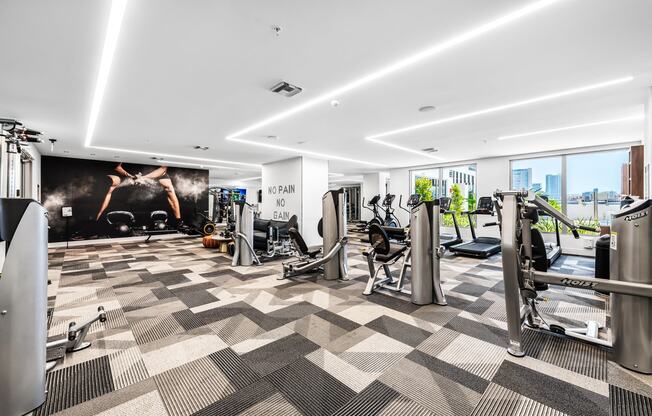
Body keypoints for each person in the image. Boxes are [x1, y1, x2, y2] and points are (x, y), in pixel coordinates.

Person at [96, 163, 182, 226]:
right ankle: (96, 220)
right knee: (111, 182)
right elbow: (117, 167)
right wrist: (130, 176)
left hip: (150, 176)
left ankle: (178, 221)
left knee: (169, 188)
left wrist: (143, 178)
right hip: (130, 174)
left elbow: (163, 169)